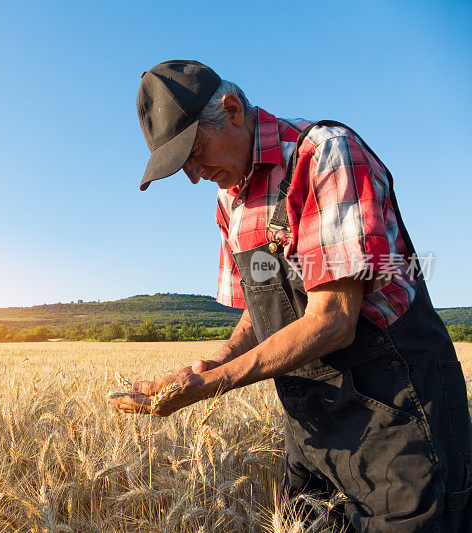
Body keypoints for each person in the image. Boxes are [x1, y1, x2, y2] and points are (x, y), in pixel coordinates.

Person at [110, 59, 472, 531]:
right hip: (309, 418)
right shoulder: (229, 199)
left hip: (394, 410)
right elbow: (258, 309)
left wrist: (214, 386)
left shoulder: (323, 156)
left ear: (233, 110)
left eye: (195, 152)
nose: (195, 175)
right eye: (183, 168)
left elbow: (335, 318)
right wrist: (207, 366)